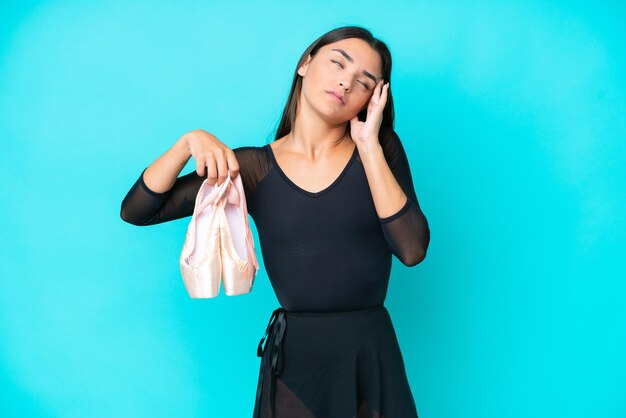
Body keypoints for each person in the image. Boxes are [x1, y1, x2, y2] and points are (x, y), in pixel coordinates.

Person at [120, 25, 430, 418]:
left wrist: (368, 144)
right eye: (338, 63)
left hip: (370, 357)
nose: (345, 82)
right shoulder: (252, 168)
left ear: (375, 98)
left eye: (364, 82)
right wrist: (187, 144)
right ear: (305, 63)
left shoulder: (380, 151)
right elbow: (137, 211)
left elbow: (412, 249)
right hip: (295, 364)